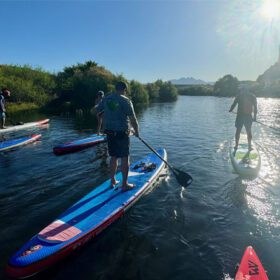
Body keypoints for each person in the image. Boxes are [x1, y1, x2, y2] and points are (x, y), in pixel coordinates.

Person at [96, 81, 139, 191]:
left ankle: (113, 181)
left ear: (116, 88)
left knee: (113, 157)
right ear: (125, 90)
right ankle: (124, 185)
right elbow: (133, 119)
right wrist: (137, 132)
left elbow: (98, 109)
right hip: (121, 133)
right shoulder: (126, 100)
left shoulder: (106, 98)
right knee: (125, 158)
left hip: (109, 133)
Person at [229, 87, 257, 152]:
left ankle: (236, 146)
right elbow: (255, 107)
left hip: (240, 116)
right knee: (249, 131)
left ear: (242, 90)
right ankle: (249, 147)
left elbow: (234, 104)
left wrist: (230, 110)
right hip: (248, 117)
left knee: (238, 130)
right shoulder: (253, 96)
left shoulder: (239, 96)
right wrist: (254, 117)